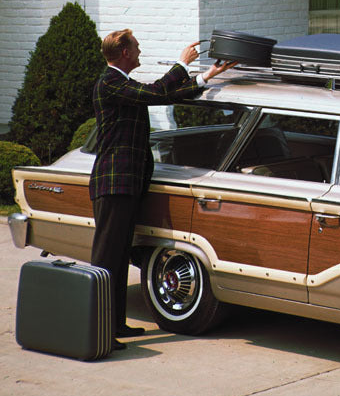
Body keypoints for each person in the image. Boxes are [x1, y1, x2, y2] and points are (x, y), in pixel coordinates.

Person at [88, 29, 235, 349]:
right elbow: (155, 92)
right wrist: (182, 65)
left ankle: (115, 326)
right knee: (108, 260)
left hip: (125, 183)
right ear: (125, 52)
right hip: (114, 183)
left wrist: (205, 77)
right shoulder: (110, 82)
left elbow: (162, 95)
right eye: (137, 48)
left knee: (117, 257)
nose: (140, 52)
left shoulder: (121, 83)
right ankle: (97, 331)